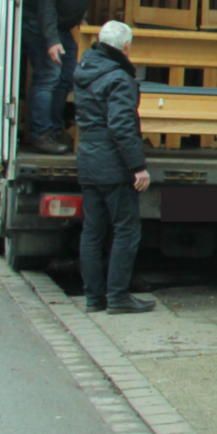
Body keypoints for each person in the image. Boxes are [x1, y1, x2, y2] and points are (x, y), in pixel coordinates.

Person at [72, 20, 155, 314]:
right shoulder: (119, 78)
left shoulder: (85, 70)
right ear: (127, 47)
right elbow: (122, 126)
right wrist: (138, 166)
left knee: (93, 231)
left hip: (89, 159)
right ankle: (118, 297)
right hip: (113, 164)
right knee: (126, 230)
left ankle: (94, 298)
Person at [21, 0, 103, 155]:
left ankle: (55, 129)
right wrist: (51, 40)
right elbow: (47, 2)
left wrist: (82, 17)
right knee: (48, 76)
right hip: (40, 24)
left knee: (67, 76)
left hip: (61, 26)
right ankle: (41, 134)